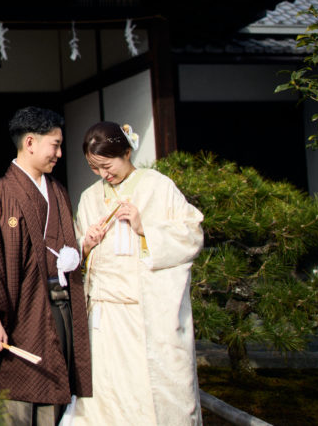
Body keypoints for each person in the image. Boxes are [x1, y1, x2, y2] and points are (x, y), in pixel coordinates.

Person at [0, 107, 92, 425]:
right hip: (20, 317)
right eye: (54, 144)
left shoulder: (57, 192)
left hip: (61, 311)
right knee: (18, 397)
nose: (59, 153)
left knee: (56, 390)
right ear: (30, 142)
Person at [72, 121, 204, 425]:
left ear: (127, 152)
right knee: (105, 390)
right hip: (105, 314)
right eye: (95, 168)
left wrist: (145, 227)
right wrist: (86, 244)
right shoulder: (90, 197)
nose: (104, 174)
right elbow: (77, 248)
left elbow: (191, 234)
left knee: (152, 388)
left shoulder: (158, 186)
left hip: (145, 312)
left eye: (107, 165)